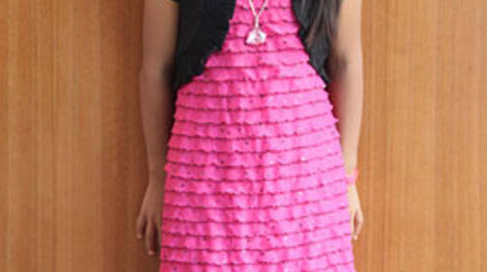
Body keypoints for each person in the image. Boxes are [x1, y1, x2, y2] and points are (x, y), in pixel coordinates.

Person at [137, 0, 364, 270]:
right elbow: (155, 70)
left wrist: (347, 179)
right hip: (202, 187)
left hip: (306, 192)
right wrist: (157, 178)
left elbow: (347, 64)